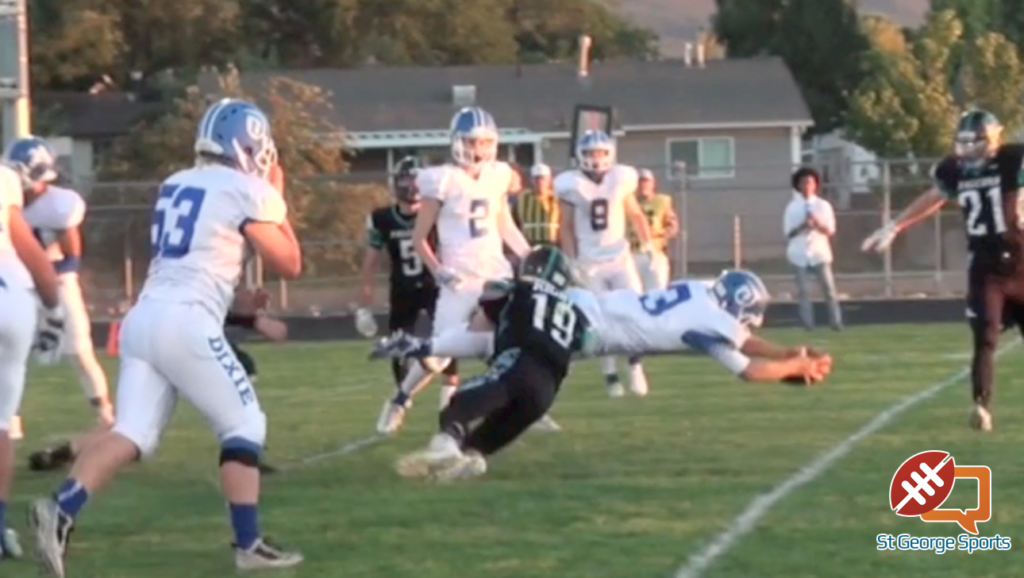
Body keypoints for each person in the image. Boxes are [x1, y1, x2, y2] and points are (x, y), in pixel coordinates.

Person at [28, 98, 304, 577]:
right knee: (245, 426)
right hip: (186, 322)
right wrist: (278, 203)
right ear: (248, 146)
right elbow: (290, 263)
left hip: (145, 319)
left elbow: (192, 263)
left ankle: (61, 508)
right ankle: (248, 545)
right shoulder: (246, 189)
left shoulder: (176, 181)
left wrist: (238, 306)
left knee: (132, 433)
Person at [862, 109, 1024, 432]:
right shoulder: (955, 170)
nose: (966, 150)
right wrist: (896, 226)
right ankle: (981, 406)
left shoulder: (1012, 160)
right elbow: (933, 198)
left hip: (1021, 262)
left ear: (991, 140)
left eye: (972, 142)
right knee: (985, 336)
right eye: (962, 142)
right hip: (985, 266)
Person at [375, 106, 531, 435]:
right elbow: (419, 239)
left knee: (510, 339)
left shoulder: (497, 175)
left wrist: (527, 254)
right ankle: (400, 398)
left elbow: (502, 223)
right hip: (458, 278)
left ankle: (523, 405)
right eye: (474, 142)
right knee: (439, 356)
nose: (480, 150)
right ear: (458, 142)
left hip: (495, 273)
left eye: (485, 142)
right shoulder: (442, 179)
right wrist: (438, 270)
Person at [26, 287, 286, 476]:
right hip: (186, 339)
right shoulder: (215, 250)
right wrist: (253, 317)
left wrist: (253, 316)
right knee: (241, 395)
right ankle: (245, 453)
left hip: (150, 329)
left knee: (129, 429)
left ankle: (64, 454)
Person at [393, 246, 590, 481]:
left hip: (518, 365)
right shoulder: (575, 312)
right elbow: (584, 344)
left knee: (459, 404)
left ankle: (444, 446)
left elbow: (479, 325)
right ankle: (470, 459)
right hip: (547, 391)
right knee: (485, 439)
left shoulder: (515, 288)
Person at [2, 137, 113, 437]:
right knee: (10, 353)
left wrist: (43, 276)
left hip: (57, 280)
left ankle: (105, 415)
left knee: (78, 349)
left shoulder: (60, 204)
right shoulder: (8, 199)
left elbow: (72, 259)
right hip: (15, 282)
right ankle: (9, 424)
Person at [356, 157, 459, 416]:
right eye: (406, 178)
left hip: (434, 286)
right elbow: (370, 262)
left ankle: (449, 407)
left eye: (416, 179)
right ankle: (401, 400)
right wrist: (364, 305)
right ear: (396, 183)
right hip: (402, 290)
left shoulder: (435, 212)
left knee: (449, 341)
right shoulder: (382, 218)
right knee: (398, 348)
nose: (412, 185)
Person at [555, 129, 655, 398]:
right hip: (589, 262)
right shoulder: (571, 183)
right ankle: (610, 375)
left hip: (619, 257)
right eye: (590, 153)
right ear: (579, 155)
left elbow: (636, 214)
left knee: (634, 311)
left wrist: (648, 245)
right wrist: (571, 260)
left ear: (610, 154)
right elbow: (564, 227)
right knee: (600, 321)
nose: (595, 158)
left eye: (600, 152)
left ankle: (635, 366)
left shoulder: (620, 178)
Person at [0, 163, 65, 561]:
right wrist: (55, 311)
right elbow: (31, 252)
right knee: (1, 423)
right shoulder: (3, 178)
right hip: (13, 298)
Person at [783, 167, 842, 331]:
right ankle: (807, 325)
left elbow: (830, 231)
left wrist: (816, 223)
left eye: (810, 182)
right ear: (798, 186)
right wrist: (803, 226)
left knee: (829, 289)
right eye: (803, 182)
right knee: (803, 292)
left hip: (819, 253)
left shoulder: (823, 206)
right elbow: (788, 233)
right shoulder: (792, 207)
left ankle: (836, 323)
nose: (807, 185)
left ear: (815, 185)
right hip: (798, 254)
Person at [630, 168, 679, 291]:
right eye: (640, 182)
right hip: (632, 253)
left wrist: (660, 235)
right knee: (634, 293)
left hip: (655, 253)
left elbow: (672, 226)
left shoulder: (661, 202)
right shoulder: (628, 202)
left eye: (646, 181)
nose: (643, 185)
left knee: (657, 291)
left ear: (653, 184)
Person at [513, 163, 561, 247]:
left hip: (553, 243)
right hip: (529, 243)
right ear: (531, 180)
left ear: (550, 180)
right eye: (536, 179)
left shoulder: (557, 198)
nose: (540, 182)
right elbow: (514, 222)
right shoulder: (522, 198)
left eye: (543, 178)